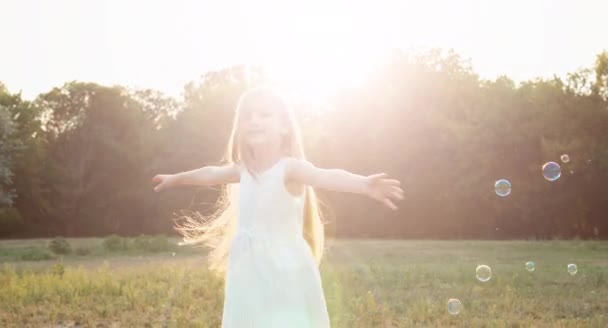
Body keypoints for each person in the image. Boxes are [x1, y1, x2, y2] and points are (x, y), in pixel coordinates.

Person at [152, 87, 403, 327]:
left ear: (284, 126)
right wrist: (175, 179)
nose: (254, 121)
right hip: (247, 267)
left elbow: (326, 176)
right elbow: (209, 174)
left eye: (264, 114)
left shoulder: (289, 168)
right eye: (247, 116)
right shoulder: (244, 171)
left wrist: (365, 185)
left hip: (284, 267)